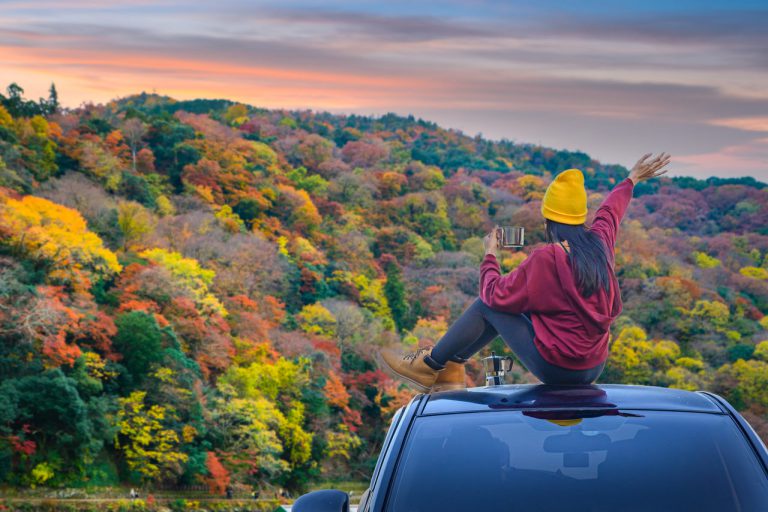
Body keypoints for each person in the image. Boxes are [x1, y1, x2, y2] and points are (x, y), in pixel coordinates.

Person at [380, 153, 671, 390]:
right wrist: (631, 179)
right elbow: (611, 212)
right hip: (593, 366)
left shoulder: (546, 258)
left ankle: (430, 366)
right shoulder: (600, 245)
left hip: (559, 368)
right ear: (580, 217)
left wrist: (490, 256)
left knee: (488, 306)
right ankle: (451, 367)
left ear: (549, 219)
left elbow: (494, 296)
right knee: (519, 306)